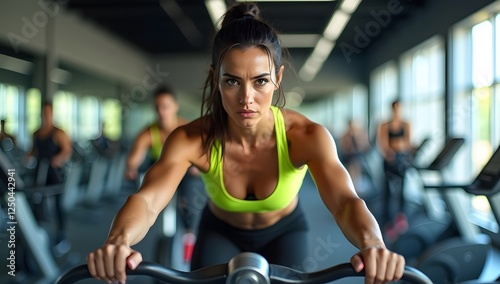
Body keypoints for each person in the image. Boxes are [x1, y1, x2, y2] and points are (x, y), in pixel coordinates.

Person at [87, 3, 405, 284]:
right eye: (232, 81)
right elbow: (148, 200)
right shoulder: (191, 138)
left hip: (286, 231)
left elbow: (346, 202)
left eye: (260, 81)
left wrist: (373, 244)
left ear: (277, 78)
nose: (246, 99)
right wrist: (118, 240)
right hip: (219, 231)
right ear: (216, 79)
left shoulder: (306, 136)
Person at [124, 84, 205, 262]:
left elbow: (201, 153)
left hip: (185, 173)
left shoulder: (186, 127)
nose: (162, 111)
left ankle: (190, 237)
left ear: (175, 106)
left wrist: (196, 165)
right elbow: (134, 157)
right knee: (146, 199)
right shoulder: (148, 132)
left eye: (166, 106)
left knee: (191, 200)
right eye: (158, 107)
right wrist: (131, 167)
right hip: (162, 174)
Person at [27, 102, 73, 254]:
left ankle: (62, 238)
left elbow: (67, 150)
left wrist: (58, 158)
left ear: (52, 114)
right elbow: (33, 151)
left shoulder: (58, 133)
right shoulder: (36, 133)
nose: (46, 115)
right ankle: (38, 234)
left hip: (55, 173)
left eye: (48, 112)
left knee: (58, 205)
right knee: (36, 202)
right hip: (40, 172)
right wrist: (25, 158)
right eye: (43, 113)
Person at [376, 100, 413, 241]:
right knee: (388, 191)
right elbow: (383, 143)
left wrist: (402, 149)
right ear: (392, 108)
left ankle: (401, 218)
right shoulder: (384, 125)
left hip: (402, 159)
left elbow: (408, 143)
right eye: (395, 108)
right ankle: (388, 222)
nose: (397, 110)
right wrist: (390, 152)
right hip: (389, 160)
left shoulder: (406, 124)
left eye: (400, 108)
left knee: (403, 189)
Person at [340, 119, 371, 195]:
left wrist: (357, 138)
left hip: (356, 156)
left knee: (356, 161)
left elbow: (364, 146)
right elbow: (344, 148)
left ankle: (357, 182)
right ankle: (352, 183)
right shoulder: (345, 136)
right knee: (352, 162)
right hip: (348, 156)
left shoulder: (358, 135)